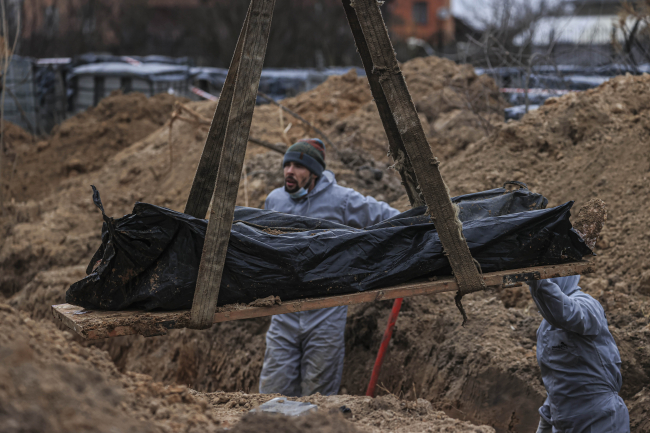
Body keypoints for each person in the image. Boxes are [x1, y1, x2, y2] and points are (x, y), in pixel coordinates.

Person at [259, 138, 399, 397]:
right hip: (284, 312)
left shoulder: (341, 200)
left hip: (325, 313)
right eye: (286, 164)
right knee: (273, 391)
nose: (289, 171)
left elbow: (388, 216)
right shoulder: (275, 200)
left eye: (298, 166)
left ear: (314, 172)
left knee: (318, 395)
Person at [528, 276, 630, 433]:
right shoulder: (546, 326)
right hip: (564, 422)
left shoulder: (587, 305)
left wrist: (538, 280)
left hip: (600, 420)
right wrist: (546, 418)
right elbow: (559, 380)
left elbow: (567, 314)